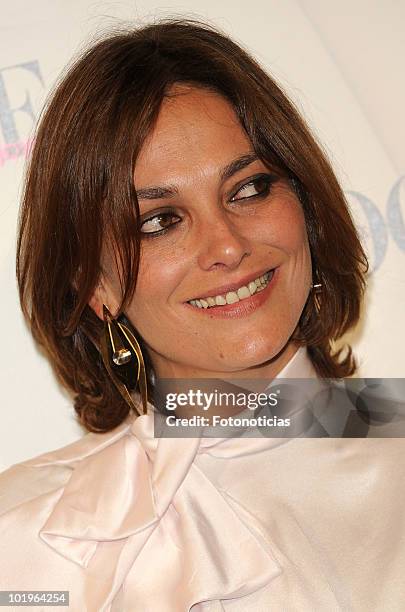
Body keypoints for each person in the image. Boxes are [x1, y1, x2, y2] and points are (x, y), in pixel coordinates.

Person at [0, 19, 404, 611]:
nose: (227, 247)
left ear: (306, 211)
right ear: (96, 287)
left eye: (250, 189)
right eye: (159, 221)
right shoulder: (33, 536)